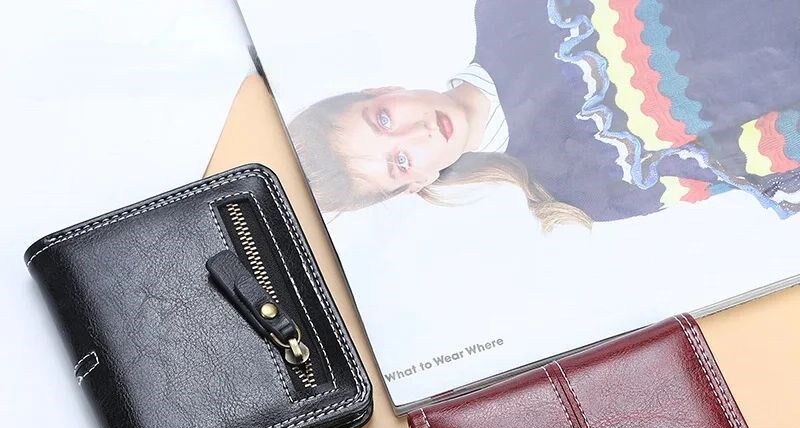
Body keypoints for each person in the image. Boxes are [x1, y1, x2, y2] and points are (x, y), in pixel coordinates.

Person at [289, 0, 800, 230]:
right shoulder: (582, 189)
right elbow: (752, 157)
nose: (416, 132)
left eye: (382, 120)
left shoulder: (506, 9)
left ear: (380, 90)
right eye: (400, 161)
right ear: (415, 184)